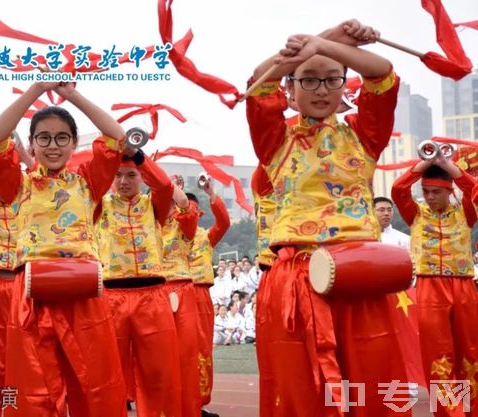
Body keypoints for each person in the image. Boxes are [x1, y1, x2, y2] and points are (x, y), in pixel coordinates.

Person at [246, 18, 413, 416]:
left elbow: (384, 76)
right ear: (289, 91)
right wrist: (321, 43)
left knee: (370, 384)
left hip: (358, 272)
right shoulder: (274, 140)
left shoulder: (364, 135)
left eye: (331, 80)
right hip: (294, 278)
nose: (321, 90)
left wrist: (324, 44)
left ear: (344, 88)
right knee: (301, 391)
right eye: (308, 80)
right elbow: (258, 83)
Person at [0, 81, 128, 417]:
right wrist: (36, 91)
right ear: (32, 145)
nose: (53, 146)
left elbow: (116, 137)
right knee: (34, 386)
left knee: (95, 380)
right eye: (44, 138)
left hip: (84, 290)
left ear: (74, 143)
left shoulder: (87, 181)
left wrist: (71, 95)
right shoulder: (17, 184)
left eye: (62, 137)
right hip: (32, 291)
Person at [97, 151, 183, 417]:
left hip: (152, 295)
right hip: (112, 296)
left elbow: (165, 185)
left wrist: (138, 156)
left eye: (131, 175)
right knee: (108, 372)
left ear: (142, 178)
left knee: (158, 372)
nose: (123, 181)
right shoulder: (100, 204)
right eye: (118, 175)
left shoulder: (153, 205)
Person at [393, 155, 478, 414]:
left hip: (464, 286)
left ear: (449, 191)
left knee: (470, 351)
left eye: (436, 192)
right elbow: (398, 189)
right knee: (438, 355)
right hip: (430, 289)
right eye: (426, 191)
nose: (429, 197)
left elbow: (474, 189)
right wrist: (423, 164)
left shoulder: (466, 212)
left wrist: (446, 165)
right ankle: (450, 412)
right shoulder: (415, 214)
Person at [187, 178, 230, 415]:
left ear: (199, 213)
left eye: (192, 208)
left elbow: (224, 223)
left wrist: (211, 192)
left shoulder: (206, 237)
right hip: (172, 295)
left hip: (200, 296)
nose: (186, 211)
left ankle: (197, 403)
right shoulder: (164, 233)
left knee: (202, 350)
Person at [160, 177, 200, 417]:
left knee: (186, 356)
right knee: (160, 359)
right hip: (155, 292)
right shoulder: (149, 221)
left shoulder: (185, 223)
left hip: (183, 290)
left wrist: (171, 186)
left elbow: (185, 206)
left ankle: (189, 410)